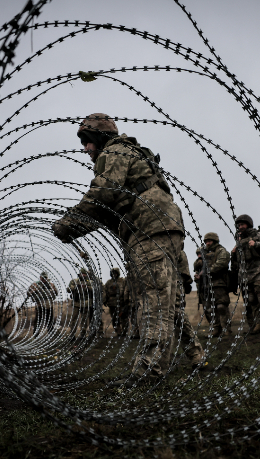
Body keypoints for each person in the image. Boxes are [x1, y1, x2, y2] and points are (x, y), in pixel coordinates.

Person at [52, 113, 184, 381]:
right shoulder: (130, 152)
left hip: (149, 228)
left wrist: (68, 225)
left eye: (87, 141)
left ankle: (149, 370)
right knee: (162, 299)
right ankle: (161, 364)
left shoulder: (113, 152)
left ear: (99, 138)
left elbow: (103, 194)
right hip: (158, 225)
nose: (85, 149)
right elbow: (110, 210)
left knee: (154, 301)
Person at [230, 214, 260, 334]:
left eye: (243, 224)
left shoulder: (259, 235)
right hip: (245, 276)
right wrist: (233, 254)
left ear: (249, 224)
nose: (241, 227)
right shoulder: (239, 241)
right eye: (239, 225)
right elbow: (236, 264)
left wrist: (256, 244)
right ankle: (258, 324)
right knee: (251, 301)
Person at [162, 244, 205, 370]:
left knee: (178, 318)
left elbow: (184, 275)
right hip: (154, 291)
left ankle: (196, 354)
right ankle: (161, 360)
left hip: (173, 287)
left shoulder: (175, 250)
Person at [199, 232, 231, 337]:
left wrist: (208, 271)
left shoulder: (221, 251)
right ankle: (216, 329)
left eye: (209, 241)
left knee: (221, 306)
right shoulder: (204, 253)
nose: (208, 243)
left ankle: (226, 329)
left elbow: (221, 263)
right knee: (210, 308)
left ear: (215, 241)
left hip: (219, 283)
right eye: (206, 241)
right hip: (207, 285)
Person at [67, 268, 97, 339]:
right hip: (77, 302)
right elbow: (68, 289)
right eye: (82, 274)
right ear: (79, 274)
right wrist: (76, 287)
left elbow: (94, 289)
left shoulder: (90, 282)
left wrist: (87, 287)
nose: (83, 275)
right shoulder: (74, 281)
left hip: (86, 303)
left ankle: (83, 334)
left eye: (84, 274)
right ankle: (72, 334)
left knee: (84, 319)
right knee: (74, 318)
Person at [104, 267, 128, 336]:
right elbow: (105, 292)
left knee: (123, 317)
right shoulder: (109, 282)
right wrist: (105, 300)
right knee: (114, 319)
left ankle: (124, 331)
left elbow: (126, 290)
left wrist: (126, 300)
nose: (114, 275)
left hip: (121, 302)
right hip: (112, 303)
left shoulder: (122, 281)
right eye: (113, 273)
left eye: (115, 273)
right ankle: (118, 332)